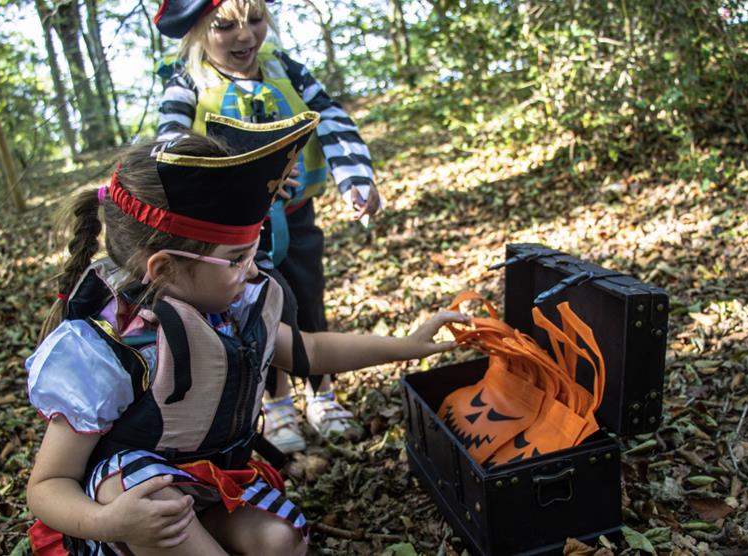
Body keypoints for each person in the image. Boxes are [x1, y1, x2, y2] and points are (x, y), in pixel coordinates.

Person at [24, 115, 465, 556]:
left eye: (253, 250)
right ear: (164, 268)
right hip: (131, 515)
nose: (252, 271)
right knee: (154, 499)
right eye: (236, 258)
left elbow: (311, 350)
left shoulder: (231, 309)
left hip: (210, 486)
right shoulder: (108, 348)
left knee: (281, 541)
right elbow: (47, 485)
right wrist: (105, 522)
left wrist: (410, 345)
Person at [154, 0, 378, 452]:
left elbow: (331, 116)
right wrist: (243, 181)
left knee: (308, 300)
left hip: (297, 220)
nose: (244, 36)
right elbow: (170, 151)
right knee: (259, 309)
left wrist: (355, 178)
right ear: (198, 30)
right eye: (225, 26)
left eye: (255, 21)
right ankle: (277, 404)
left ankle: (323, 396)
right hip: (236, 237)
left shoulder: (285, 69)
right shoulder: (187, 82)